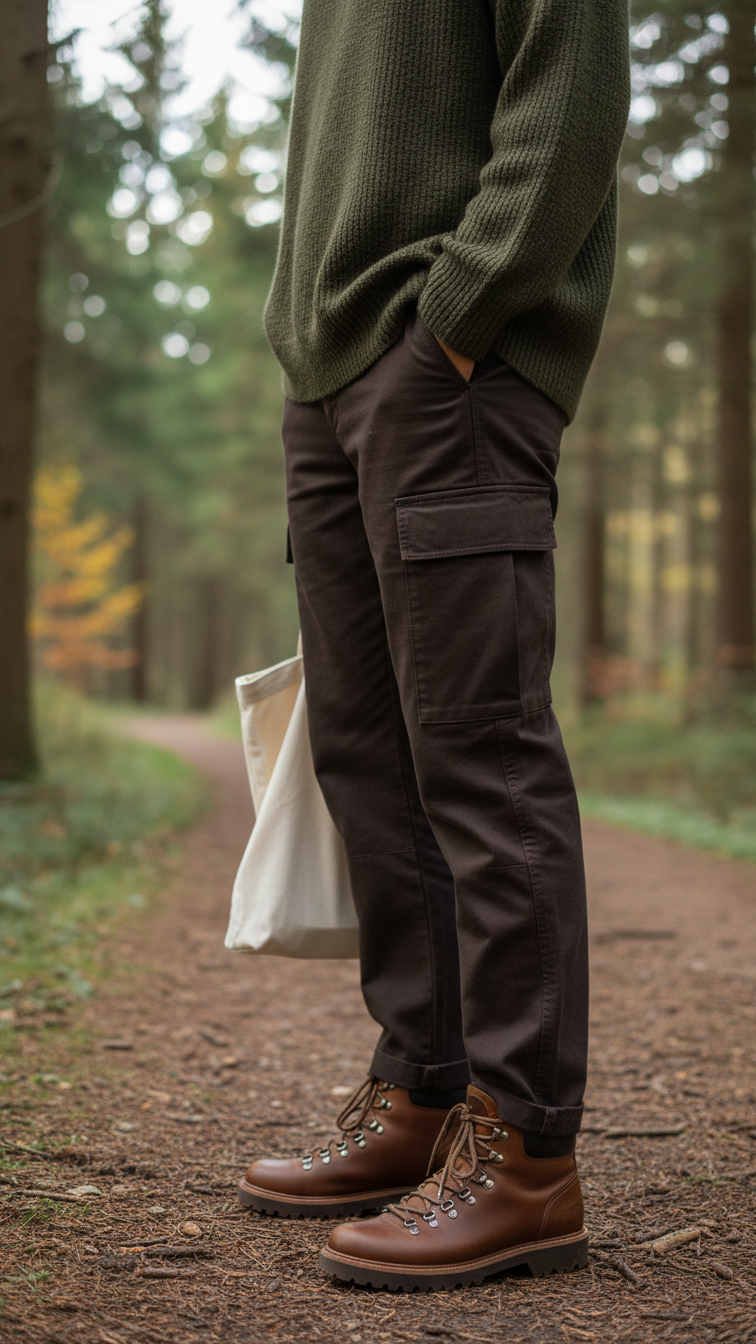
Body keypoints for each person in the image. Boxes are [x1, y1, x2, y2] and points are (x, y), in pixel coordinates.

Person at [239, 0, 630, 1291]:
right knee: (367, 753)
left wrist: (455, 318)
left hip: (449, 363)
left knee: (478, 754)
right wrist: (308, 347)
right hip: (333, 371)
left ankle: (527, 1163)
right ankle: (423, 1091)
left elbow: (567, 108)